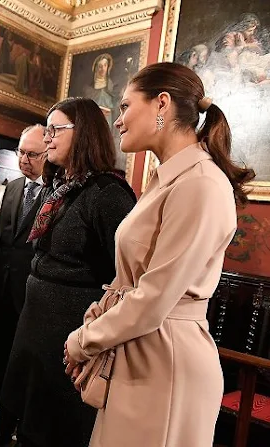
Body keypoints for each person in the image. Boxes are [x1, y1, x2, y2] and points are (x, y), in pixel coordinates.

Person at [64, 62, 255, 447]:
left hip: (164, 362)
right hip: (142, 351)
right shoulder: (167, 179)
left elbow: (153, 299)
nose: (117, 121)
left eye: (123, 106)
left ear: (161, 104)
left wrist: (83, 340)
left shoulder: (200, 183)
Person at [0, 98, 136, 447]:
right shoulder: (62, 187)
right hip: (36, 323)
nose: (47, 139)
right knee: (28, 424)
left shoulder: (108, 193)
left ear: (85, 133)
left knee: (56, 431)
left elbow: (127, 277)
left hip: (68, 330)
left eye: (55, 130)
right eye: (46, 131)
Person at [0, 124, 47, 447]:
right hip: (5, 291)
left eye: (32, 154)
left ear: (47, 153)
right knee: (4, 361)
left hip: (35, 296)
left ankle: (25, 428)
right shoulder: (13, 188)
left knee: (28, 366)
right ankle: (1, 427)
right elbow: (1, 243)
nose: (24, 159)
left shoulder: (55, 192)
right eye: (21, 152)